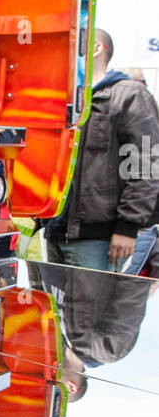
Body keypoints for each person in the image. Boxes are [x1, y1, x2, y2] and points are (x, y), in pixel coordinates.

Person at [45, 27, 159, 271]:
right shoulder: (64, 100)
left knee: (93, 309)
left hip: (99, 239)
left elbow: (145, 164)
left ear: (97, 48)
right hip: (57, 230)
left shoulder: (129, 95)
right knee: (56, 309)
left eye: (72, 42)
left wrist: (128, 226)